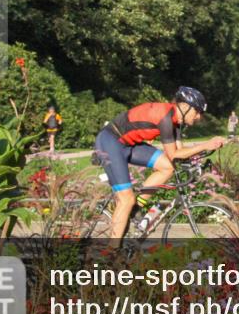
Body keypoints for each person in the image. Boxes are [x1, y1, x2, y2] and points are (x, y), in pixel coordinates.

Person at [93, 87, 226, 240]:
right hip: (110, 141)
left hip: (128, 144)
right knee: (126, 199)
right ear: (184, 106)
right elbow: (174, 154)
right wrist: (204, 145)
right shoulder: (165, 118)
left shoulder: (175, 122)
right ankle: (112, 254)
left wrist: (202, 154)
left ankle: (136, 207)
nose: (198, 117)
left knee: (167, 167)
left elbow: (178, 155)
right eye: (197, 112)